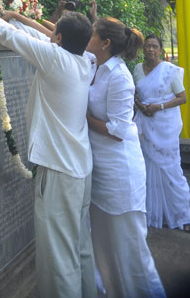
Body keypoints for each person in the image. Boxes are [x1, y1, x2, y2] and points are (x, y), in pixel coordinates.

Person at [0, 8, 97, 298]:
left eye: (54, 32)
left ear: (60, 38)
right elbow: (41, 37)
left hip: (58, 171)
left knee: (58, 257)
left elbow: (13, 37)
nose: (49, 35)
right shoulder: (85, 61)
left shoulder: (56, 60)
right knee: (79, 247)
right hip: (80, 169)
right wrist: (18, 16)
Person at [86, 17, 166, 298]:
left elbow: (118, 130)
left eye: (92, 33)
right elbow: (57, 37)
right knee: (103, 243)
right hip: (99, 168)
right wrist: (16, 16)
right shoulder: (94, 62)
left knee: (131, 247)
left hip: (120, 170)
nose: (88, 35)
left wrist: (83, 117)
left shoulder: (119, 76)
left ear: (105, 43)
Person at [133, 34, 190, 231]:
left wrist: (159, 107)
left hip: (165, 126)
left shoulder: (169, 71)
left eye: (154, 46)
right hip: (145, 125)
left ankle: (182, 214)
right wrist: (141, 106)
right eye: (147, 46)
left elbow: (182, 98)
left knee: (171, 169)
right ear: (143, 49)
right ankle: (155, 214)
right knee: (148, 169)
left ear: (161, 50)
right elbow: (136, 94)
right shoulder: (137, 69)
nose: (150, 49)